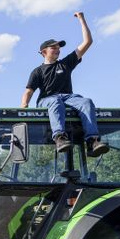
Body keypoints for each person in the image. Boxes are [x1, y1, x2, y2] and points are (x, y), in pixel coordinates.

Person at [21, 11, 109, 157]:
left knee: (86, 101)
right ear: (44, 52)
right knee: (55, 101)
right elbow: (29, 91)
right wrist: (23, 109)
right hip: (47, 100)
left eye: (58, 47)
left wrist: (82, 19)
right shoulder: (37, 71)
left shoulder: (65, 64)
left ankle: (92, 141)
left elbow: (87, 42)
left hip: (68, 98)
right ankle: (60, 138)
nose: (58, 49)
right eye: (53, 47)